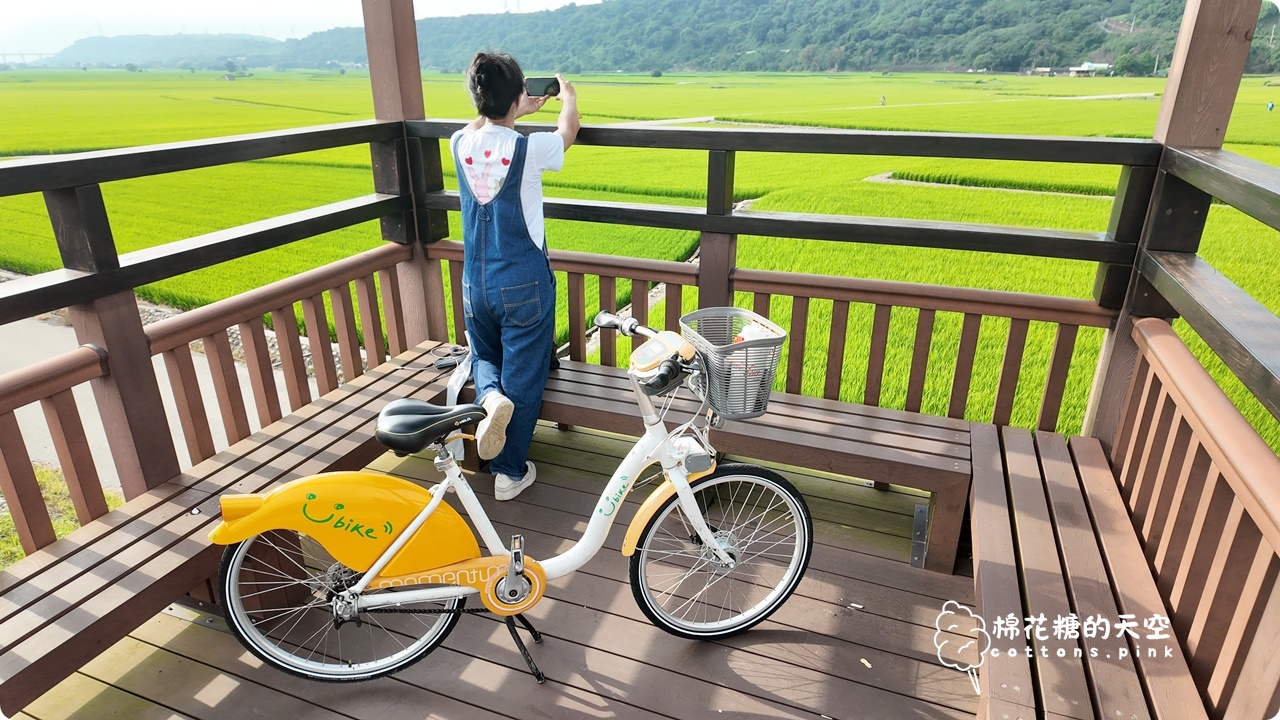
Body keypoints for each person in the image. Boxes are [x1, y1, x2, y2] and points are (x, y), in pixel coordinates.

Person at [449, 53, 579, 501]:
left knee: (482, 355)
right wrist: (569, 100)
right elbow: (569, 132)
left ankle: (488, 399)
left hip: (475, 285)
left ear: (476, 98)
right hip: (523, 282)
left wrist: (509, 107)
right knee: (524, 376)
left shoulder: (457, 142)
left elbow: (484, 124)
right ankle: (508, 473)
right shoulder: (530, 148)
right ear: (520, 94)